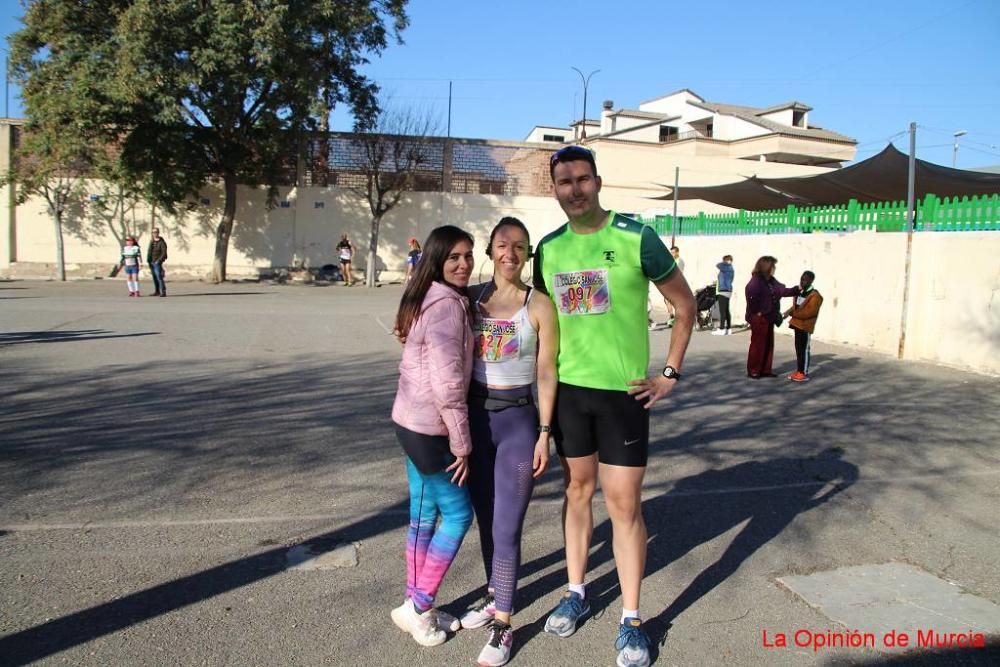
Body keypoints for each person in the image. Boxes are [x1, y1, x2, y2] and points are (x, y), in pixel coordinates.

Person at [533, 145, 695, 667]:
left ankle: (631, 620)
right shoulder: (549, 250)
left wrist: (669, 373)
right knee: (577, 492)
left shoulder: (635, 237)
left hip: (623, 397)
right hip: (570, 396)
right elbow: (539, 323)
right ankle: (576, 591)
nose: (574, 189)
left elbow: (685, 304)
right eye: (564, 181)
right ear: (554, 188)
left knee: (623, 505)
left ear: (597, 182)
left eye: (582, 179)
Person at [460, 217, 559, 666]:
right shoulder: (470, 298)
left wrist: (544, 433)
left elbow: (546, 371)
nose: (510, 253)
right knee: (485, 521)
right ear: (490, 250)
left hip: (519, 421)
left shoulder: (538, 305)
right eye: (502, 245)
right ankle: (494, 593)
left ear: (527, 253)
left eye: (519, 246)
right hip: (476, 420)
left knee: (507, 526)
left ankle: (505, 624)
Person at [389, 225, 476, 647]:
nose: (463, 264)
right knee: (458, 515)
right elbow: (448, 385)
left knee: (423, 516)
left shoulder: (431, 297)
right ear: (438, 260)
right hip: (429, 429)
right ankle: (420, 607)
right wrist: (461, 443)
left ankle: (414, 604)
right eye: (454, 257)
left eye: (468, 255)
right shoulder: (445, 306)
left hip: (409, 421)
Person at [744, 255, 798, 379]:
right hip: (759, 317)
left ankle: (765, 369)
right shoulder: (756, 281)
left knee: (768, 343)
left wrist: (796, 289)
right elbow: (750, 294)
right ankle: (754, 369)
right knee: (757, 344)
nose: (774, 269)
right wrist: (757, 311)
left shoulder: (771, 281)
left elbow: (782, 291)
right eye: (773, 266)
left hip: (769, 316)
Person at [783, 270, 824, 382]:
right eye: (802, 279)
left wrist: (792, 313)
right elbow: (796, 307)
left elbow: (809, 313)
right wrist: (787, 312)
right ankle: (799, 370)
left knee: (804, 349)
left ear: (811, 281)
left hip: (805, 326)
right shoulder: (801, 292)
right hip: (797, 325)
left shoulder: (815, 296)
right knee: (798, 349)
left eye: (805, 279)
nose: (803, 281)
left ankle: (803, 373)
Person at [661, 245, 685, 327]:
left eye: (673, 253)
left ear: (677, 252)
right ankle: (672, 317)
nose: (671, 254)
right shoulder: (675, 261)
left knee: (672, 301)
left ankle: (674, 318)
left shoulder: (679, 261)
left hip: (675, 284)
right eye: (670, 253)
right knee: (667, 300)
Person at [711, 254, 735, 335]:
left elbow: (718, 265)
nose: (723, 262)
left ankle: (722, 329)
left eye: (724, 260)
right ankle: (728, 328)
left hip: (724, 290)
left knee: (722, 311)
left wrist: (725, 262)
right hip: (727, 290)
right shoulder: (729, 268)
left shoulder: (727, 267)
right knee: (726, 310)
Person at [147, 228, 168, 297]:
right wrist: (148, 260)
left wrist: (159, 261)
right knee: (154, 277)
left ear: (158, 233)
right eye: (153, 232)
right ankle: (157, 291)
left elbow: (164, 253)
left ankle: (163, 291)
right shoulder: (152, 241)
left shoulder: (162, 242)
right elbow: (149, 252)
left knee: (159, 276)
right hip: (151, 262)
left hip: (157, 262)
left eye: (156, 232)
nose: (154, 233)